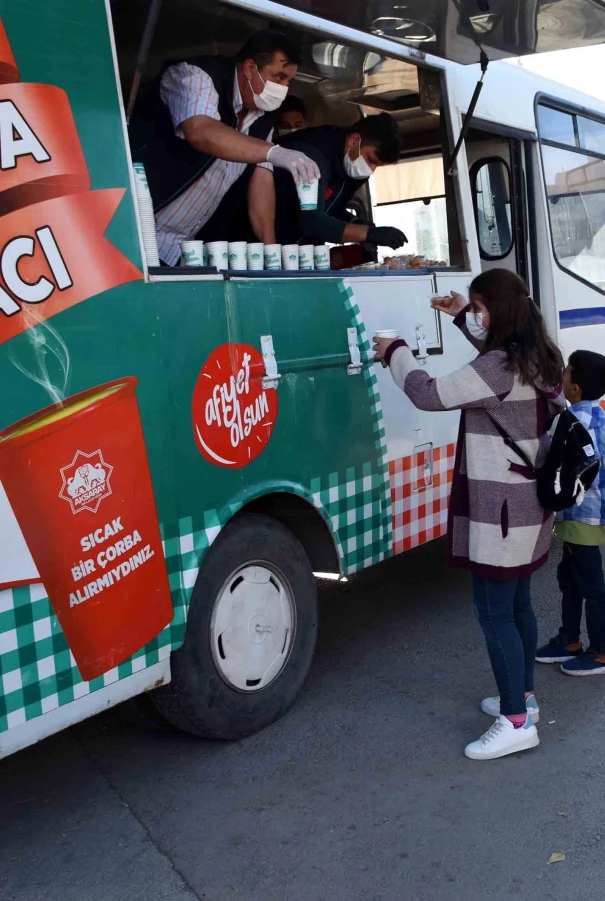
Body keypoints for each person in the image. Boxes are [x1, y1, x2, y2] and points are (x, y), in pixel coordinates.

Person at [372, 269, 563, 761]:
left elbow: (429, 393)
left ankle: (517, 722)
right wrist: (462, 316)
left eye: (479, 308)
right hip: (528, 506)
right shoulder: (537, 353)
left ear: (497, 312)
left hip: (503, 510)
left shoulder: (501, 366)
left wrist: (394, 351)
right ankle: (523, 699)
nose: (475, 315)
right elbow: (487, 362)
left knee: (494, 612)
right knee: (517, 605)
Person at [128, 30, 320, 265]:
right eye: (278, 77)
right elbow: (200, 131)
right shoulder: (195, 76)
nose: (284, 88)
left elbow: (260, 181)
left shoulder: (263, 117)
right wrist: (274, 151)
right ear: (250, 68)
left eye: (288, 81)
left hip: (181, 249)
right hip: (130, 230)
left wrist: (272, 255)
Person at [535, 350, 605, 676]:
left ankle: (602, 653)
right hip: (586, 513)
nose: (562, 375)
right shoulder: (600, 417)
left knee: (591, 585)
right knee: (569, 578)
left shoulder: (572, 422)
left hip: (581, 514)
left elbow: (555, 458)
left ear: (575, 388)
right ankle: (568, 640)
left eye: (567, 372)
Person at [249, 113, 408, 252]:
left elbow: (330, 207)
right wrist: (367, 233)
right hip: (252, 244)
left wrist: (354, 222)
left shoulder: (350, 163)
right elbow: (310, 220)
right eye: (371, 160)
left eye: (377, 165)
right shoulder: (313, 157)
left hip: (295, 249)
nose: (371, 169)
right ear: (354, 141)